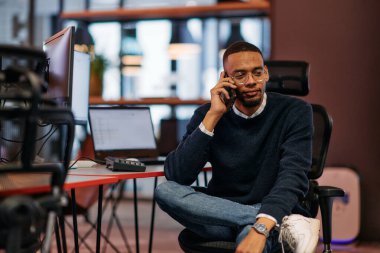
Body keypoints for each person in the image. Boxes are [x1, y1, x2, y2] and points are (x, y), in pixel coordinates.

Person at [154, 41, 320, 253]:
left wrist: (262, 224)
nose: (251, 81)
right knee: (165, 190)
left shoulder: (295, 111)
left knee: (249, 239)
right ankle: (279, 224)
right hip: (222, 216)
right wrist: (213, 116)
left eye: (257, 73)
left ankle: (265, 223)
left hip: (272, 211)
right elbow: (178, 175)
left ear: (266, 73)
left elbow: (293, 176)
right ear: (226, 79)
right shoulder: (207, 114)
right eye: (240, 75)